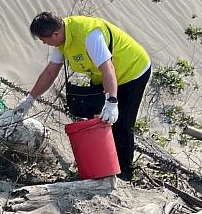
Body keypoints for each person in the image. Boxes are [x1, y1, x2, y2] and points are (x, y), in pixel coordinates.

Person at [14, 13, 151, 181]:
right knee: (96, 121)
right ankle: (101, 166)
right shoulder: (61, 41)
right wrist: (30, 98)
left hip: (133, 71)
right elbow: (50, 72)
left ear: (56, 34)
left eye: (44, 39)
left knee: (122, 122)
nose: (44, 43)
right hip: (102, 76)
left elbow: (108, 68)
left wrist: (112, 102)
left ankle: (124, 173)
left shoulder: (90, 35)